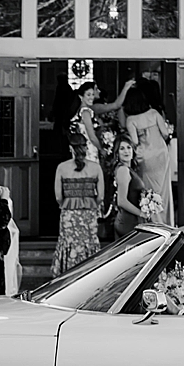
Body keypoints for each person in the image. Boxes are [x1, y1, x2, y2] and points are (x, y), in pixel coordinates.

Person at [51, 132, 106, 276]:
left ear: (70, 148)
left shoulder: (62, 167)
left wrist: (66, 203)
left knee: (69, 244)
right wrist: (92, 204)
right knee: (89, 243)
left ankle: (67, 276)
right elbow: (100, 196)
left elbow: (58, 196)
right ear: (86, 148)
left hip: (69, 213)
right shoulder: (96, 168)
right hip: (89, 213)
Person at [123, 73, 175, 223]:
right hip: (161, 154)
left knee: (148, 190)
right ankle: (167, 222)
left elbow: (134, 141)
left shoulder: (131, 120)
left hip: (145, 157)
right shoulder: (154, 113)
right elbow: (165, 133)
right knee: (164, 189)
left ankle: (153, 222)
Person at [73, 78, 133, 163]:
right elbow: (92, 136)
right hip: (89, 150)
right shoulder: (86, 111)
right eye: (88, 95)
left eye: (92, 94)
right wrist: (101, 149)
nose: (92, 97)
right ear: (81, 96)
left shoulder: (85, 110)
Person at [111, 137, 149, 237]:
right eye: (122, 148)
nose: (126, 151)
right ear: (117, 153)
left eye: (128, 147)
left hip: (133, 221)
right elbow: (121, 201)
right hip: (128, 223)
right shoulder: (123, 170)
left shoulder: (129, 169)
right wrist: (141, 213)